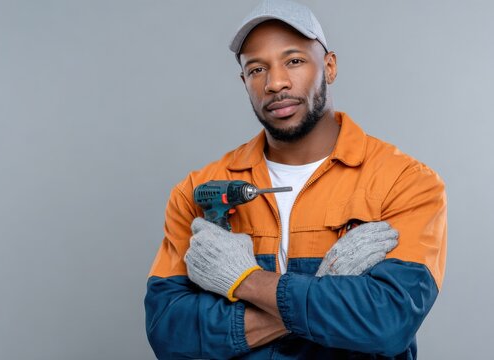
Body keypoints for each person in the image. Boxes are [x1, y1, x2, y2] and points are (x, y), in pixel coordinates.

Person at [144, 0, 447, 359]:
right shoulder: (198, 189)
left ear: (329, 67)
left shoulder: (404, 183)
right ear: (245, 82)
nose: (275, 83)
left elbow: (387, 323)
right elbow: (168, 332)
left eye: (294, 61)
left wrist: (245, 281)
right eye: (257, 69)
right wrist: (326, 292)